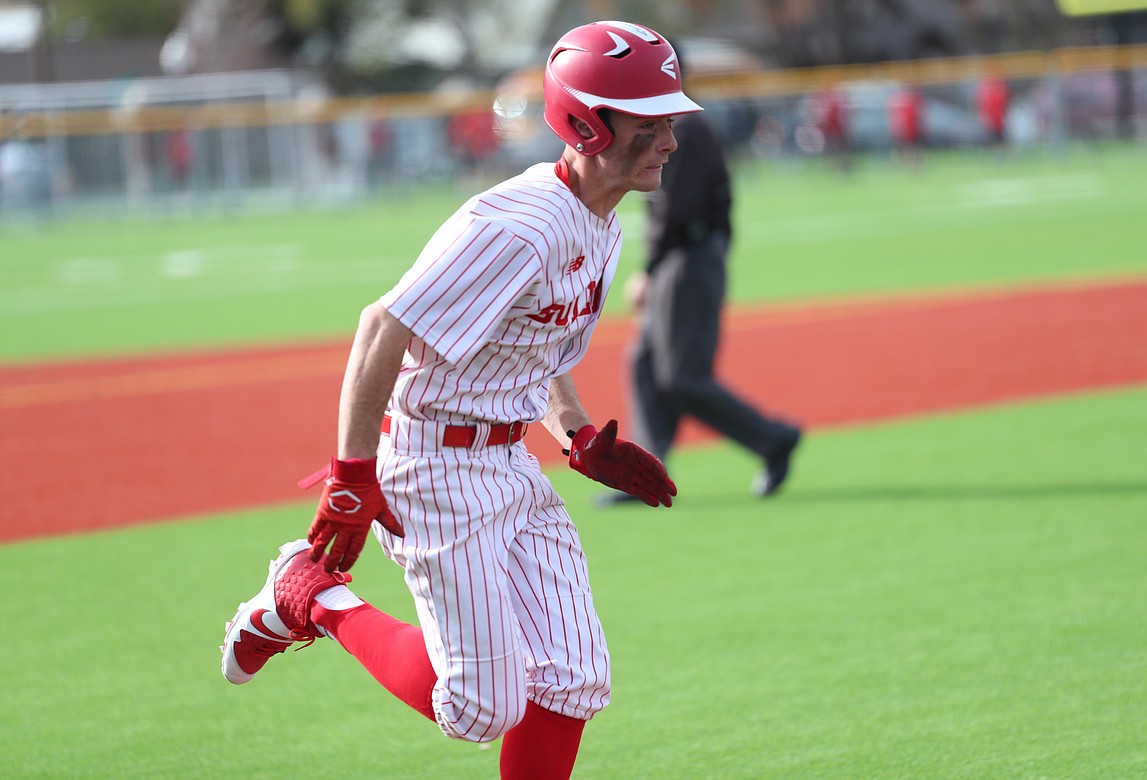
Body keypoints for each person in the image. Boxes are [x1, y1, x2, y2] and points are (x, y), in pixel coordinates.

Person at [220, 20, 689, 779]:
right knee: (479, 710)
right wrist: (351, 476)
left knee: (574, 681)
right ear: (587, 123)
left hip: (508, 465)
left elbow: (534, 344)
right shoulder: (515, 227)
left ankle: (311, 596)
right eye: (650, 123)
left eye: (670, 121)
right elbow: (381, 328)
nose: (668, 139)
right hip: (434, 468)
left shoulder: (599, 225)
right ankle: (309, 595)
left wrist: (572, 433)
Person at [602, 91, 802, 506]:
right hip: (683, 256)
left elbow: (677, 208)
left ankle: (773, 439)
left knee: (682, 376)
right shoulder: (677, 127)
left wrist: (651, 269)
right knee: (644, 359)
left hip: (688, 259)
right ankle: (646, 471)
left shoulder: (684, 129)